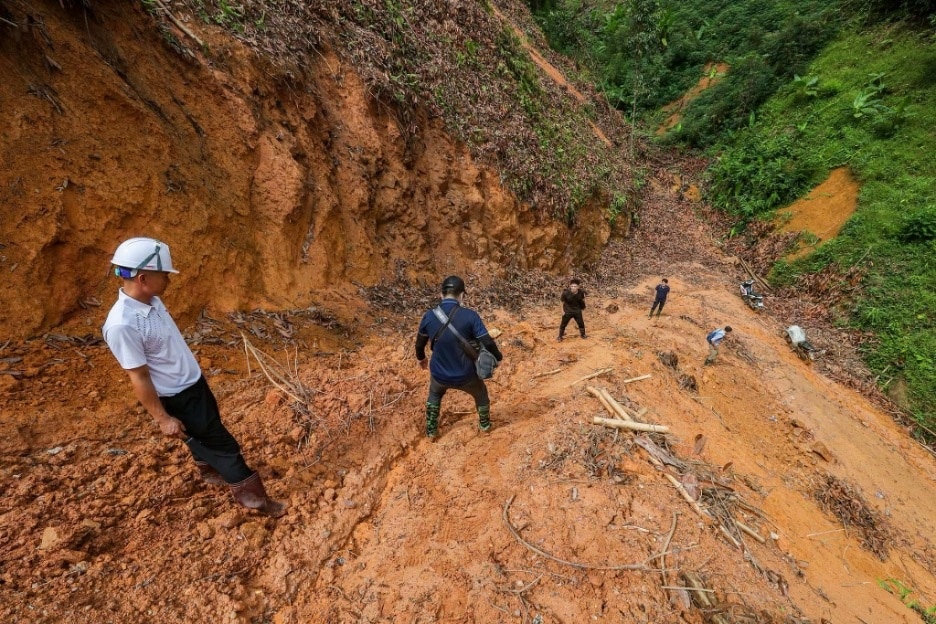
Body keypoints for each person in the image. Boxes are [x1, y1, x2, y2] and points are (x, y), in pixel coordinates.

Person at [102, 237, 286, 517]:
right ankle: (258, 502)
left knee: (206, 434)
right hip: (179, 398)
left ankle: (209, 470)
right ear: (143, 278)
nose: (168, 281)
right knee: (225, 447)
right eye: (164, 275)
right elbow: (138, 377)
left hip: (193, 384)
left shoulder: (152, 301)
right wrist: (163, 418)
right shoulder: (122, 325)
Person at [415, 276, 503, 439]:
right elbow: (487, 342)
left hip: (439, 374)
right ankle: (484, 426)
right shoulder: (470, 316)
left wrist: (421, 359)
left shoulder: (429, 316)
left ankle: (431, 431)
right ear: (462, 295)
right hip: (466, 375)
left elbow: (419, 345)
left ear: (441, 294)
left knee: (434, 394)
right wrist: (498, 357)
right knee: (481, 393)